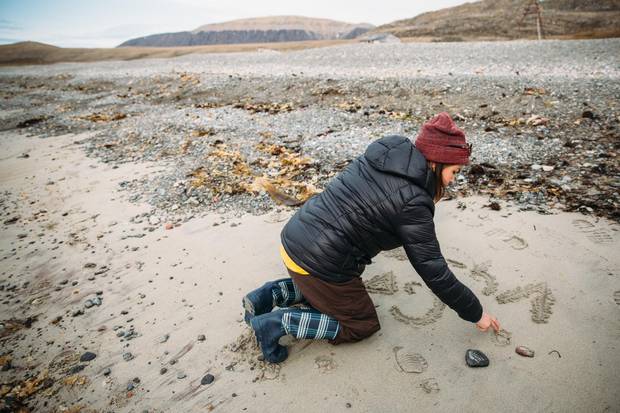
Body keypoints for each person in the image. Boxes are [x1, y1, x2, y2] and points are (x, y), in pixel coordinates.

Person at [243, 112, 501, 363]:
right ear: (436, 162)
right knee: (361, 323)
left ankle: (267, 296)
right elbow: (435, 271)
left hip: (296, 236)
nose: (453, 180)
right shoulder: (414, 203)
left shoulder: (388, 153)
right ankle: (275, 324)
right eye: (453, 172)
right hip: (320, 261)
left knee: (329, 291)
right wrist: (476, 313)